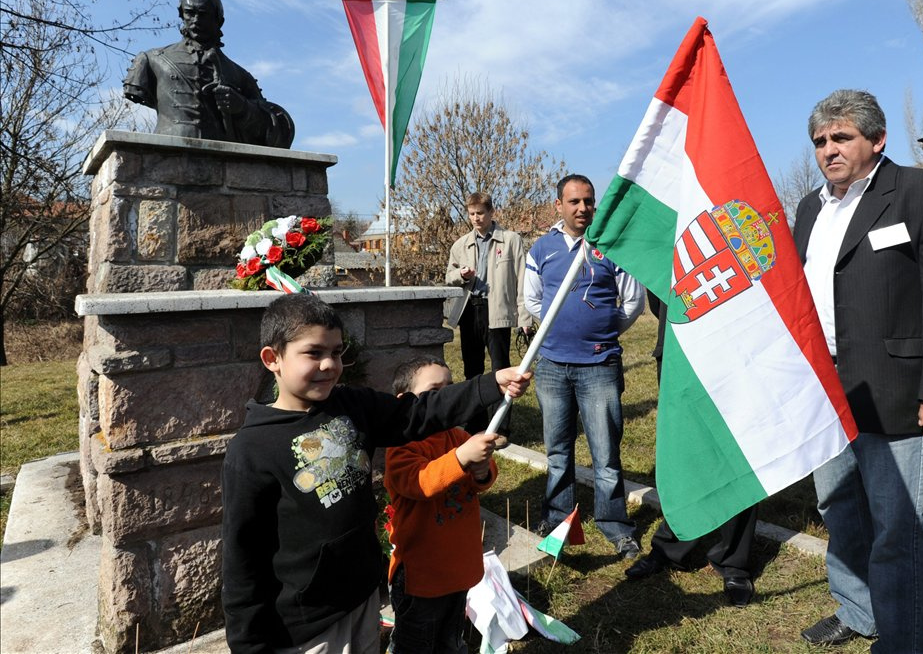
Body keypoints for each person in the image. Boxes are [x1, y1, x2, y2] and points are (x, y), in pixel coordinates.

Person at [221, 293, 530, 654]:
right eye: (313, 353)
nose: (329, 365)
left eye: (336, 352)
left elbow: (419, 413)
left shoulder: (354, 405)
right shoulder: (252, 449)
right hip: (308, 627)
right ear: (273, 358)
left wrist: (489, 385)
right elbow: (244, 557)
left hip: (363, 599)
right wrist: (249, 645)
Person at [793, 90, 923, 651]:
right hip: (822, 388)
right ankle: (857, 609)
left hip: (892, 387)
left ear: (877, 140)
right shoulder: (810, 208)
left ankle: (905, 640)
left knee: (898, 525)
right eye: (820, 141)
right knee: (838, 507)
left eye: (841, 137)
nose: (828, 150)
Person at [524, 174, 645, 559]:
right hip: (552, 368)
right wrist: (561, 329)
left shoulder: (612, 248)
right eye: (574, 201)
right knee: (558, 451)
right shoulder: (541, 250)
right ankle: (559, 516)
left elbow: (632, 304)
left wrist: (602, 331)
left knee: (606, 454)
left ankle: (614, 524)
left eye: (588, 201)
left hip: (599, 366)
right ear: (558, 205)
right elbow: (532, 301)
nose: (582, 208)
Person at [624, 291, 758, 607]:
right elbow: (658, 296)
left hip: (733, 346)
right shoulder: (670, 241)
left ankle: (733, 560)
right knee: (683, 454)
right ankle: (671, 546)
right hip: (678, 346)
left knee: (737, 454)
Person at [384, 356, 498, 654]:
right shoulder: (402, 445)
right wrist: (463, 457)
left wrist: (482, 470)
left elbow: (480, 481)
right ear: (405, 402)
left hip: (459, 570)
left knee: (451, 639)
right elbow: (422, 482)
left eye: (450, 388)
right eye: (436, 391)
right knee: (416, 644)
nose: (447, 397)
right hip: (421, 578)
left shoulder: (457, 436)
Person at [124, 0, 293, 148]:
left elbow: (270, 129)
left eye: (203, 14)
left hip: (222, 157)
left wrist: (242, 107)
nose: (196, 20)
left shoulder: (240, 75)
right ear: (181, 14)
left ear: (219, 20)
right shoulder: (151, 59)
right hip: (164, 152)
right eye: (190, 13)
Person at [445, 192, 531, 439]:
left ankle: (500, 426)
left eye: (480, 213)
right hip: (469, 311)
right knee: (472, 369)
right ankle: (475, 424)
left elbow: (522, 281)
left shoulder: (511, 241)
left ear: (492, 212)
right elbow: (448, 275)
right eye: (471, 214)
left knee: (501, 369)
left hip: (498, 311)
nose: (476, 218)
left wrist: (524, 318)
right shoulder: (460, 245)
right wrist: (461, 275)